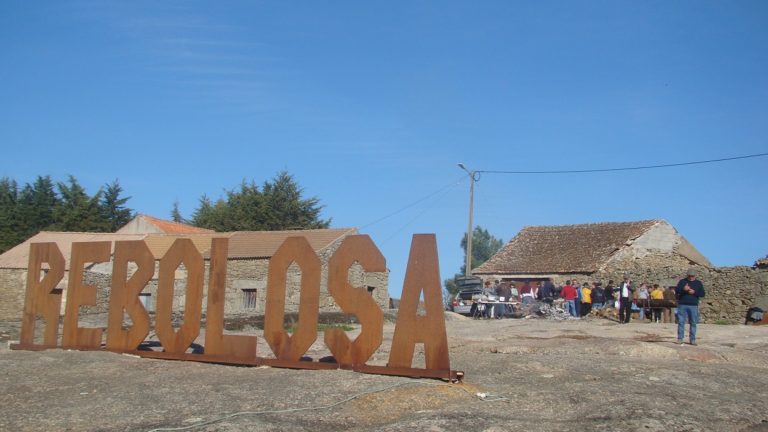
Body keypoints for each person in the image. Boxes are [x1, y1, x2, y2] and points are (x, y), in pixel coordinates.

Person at [675, 268, 705, 345]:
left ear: (695, 275)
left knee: (693, 323)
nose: (691, 277)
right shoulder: (682, 282)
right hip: (682, 304)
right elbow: (677, 291)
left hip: (693, 305)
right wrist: (683, 289)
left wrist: (694, 292)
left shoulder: (698, 283)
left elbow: (702, 294)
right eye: (690, 276)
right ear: (687, 275)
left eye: (692, 276)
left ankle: (692, 340)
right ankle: (680, 339)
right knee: (681, 322)